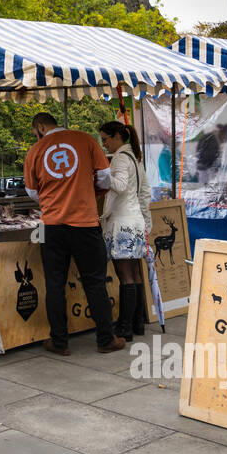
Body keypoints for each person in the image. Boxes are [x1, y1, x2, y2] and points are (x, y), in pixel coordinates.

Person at [24, 111, 124, 355]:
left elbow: (32, 192)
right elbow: (105, 179)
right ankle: (105, 339)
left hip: (51, 225)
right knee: (95, 282)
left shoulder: (35, 151)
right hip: (85, 224)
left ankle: (59, 341)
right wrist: (85, 189)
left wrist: (53, 196)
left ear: (40, 126)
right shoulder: (86, 140)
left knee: (54, 283)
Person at [98, 120, 152, 342]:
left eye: (105, 140)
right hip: (136, 221)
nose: (104, 145)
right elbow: (145, 192)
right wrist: (146, 221)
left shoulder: (120, 158)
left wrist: (100, 176)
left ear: (117, 137)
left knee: (125, 276)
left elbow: (118, 185)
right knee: (136, 273)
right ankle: (138, 323)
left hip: (122, 224)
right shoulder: (135, 158)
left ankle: (124, 327)